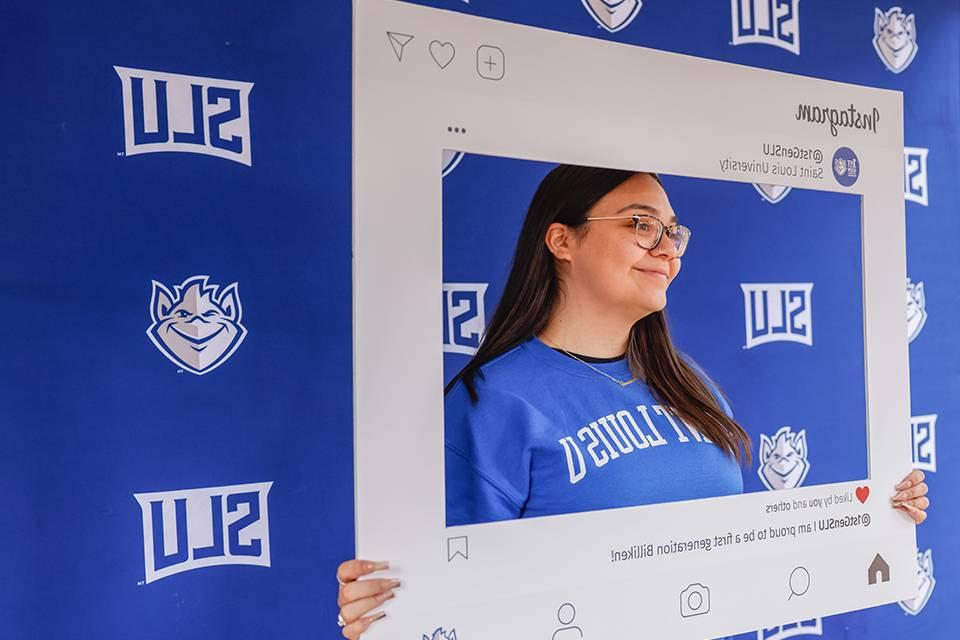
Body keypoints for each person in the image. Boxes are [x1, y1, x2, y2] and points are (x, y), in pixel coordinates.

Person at [334, 165, 930, 638]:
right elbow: (454, 598)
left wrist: (878, 515)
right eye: (642, 225)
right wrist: (390, 613)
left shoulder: (688, 382)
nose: (667, 248)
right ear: (562, 239)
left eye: (673, 231)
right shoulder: (490, 401)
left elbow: (745, 551)